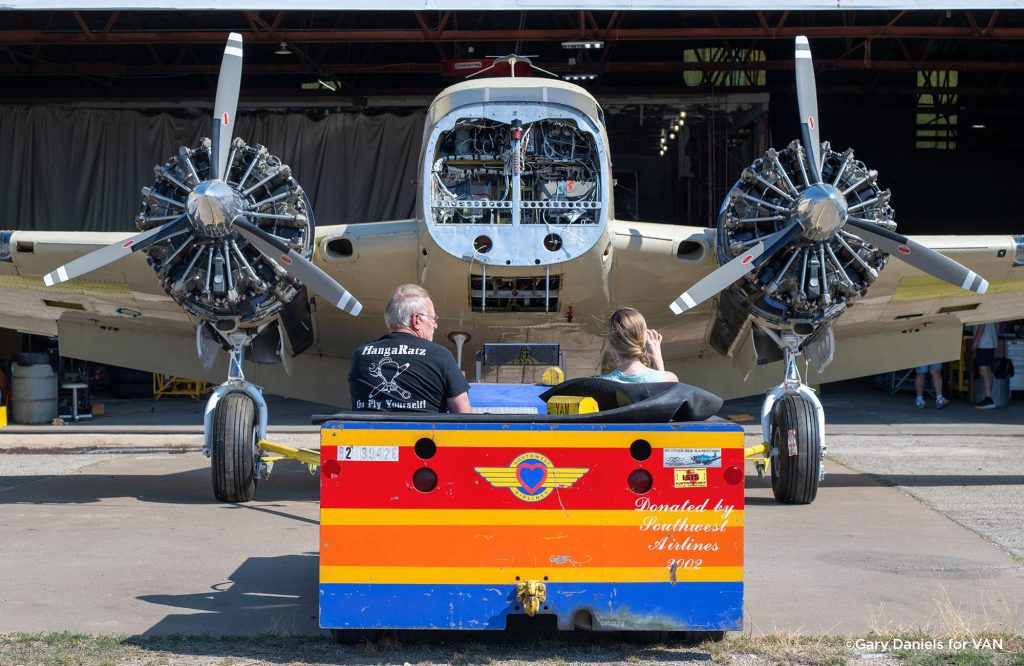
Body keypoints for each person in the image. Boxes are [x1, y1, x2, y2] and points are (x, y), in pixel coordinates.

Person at [348, 284, 471, 413]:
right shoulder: (441, 356)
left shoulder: (360, 356)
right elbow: (463, 415)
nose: (435, 325)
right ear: (416, 320)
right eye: (433, 318)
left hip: (367, 433)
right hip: (424, 433)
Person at [600, 307, 679, 383]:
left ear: (611, 342)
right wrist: (658, 361)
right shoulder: (669, 379)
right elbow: (664, 393)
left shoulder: (599, 386)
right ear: (645, 339)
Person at [973, 322, 999, 409]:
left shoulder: (983, 311)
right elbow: (997, 325)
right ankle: (989, 398)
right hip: (991, 342)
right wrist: (995, 338)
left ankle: (988, 399)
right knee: (987, 370)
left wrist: (975, 341)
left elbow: (982, 325)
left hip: (983, 342)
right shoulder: (993, 311)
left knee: (983, 370)